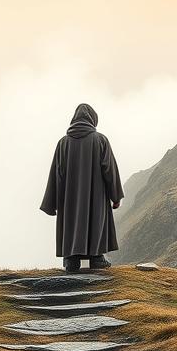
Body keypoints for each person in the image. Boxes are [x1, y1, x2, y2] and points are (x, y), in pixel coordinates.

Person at [40, 103, 124, 272]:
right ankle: (97, 258)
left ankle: (71, 260)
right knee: (96, 217)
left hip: (68, 197)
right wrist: (116, 196)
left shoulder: (63, 143)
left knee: (71, 220)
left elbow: (56, 174)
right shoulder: (100, 140)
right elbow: (110, 169)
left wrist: (53, 203)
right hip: (96, 194)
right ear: (93, 119)